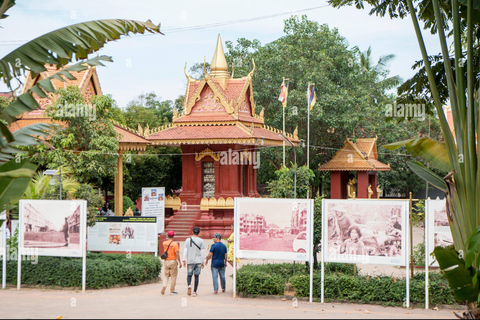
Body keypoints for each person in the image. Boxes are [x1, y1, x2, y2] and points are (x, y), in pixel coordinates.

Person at [183, 226, 206, 297]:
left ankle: (189, 285)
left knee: (189, 275)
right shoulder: (201, 241)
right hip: (198, 261)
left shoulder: (187, 240)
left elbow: (185, 251)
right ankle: (194, 292)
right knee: (196, 276)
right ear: (199, 232)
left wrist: (184, 260)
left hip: (190, 260)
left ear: (192, 232)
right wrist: (203, 261)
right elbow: (202, 252)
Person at [161, 230, 182, 295]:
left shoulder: (164, 243)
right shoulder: (175, 244)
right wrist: (179, 262)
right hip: (173, 261)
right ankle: (172, 291)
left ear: (167, 236)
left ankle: (164, 286)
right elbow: (177, 254)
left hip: (166, 261)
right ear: (173, 236)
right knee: (173, 276)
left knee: (166, 275)